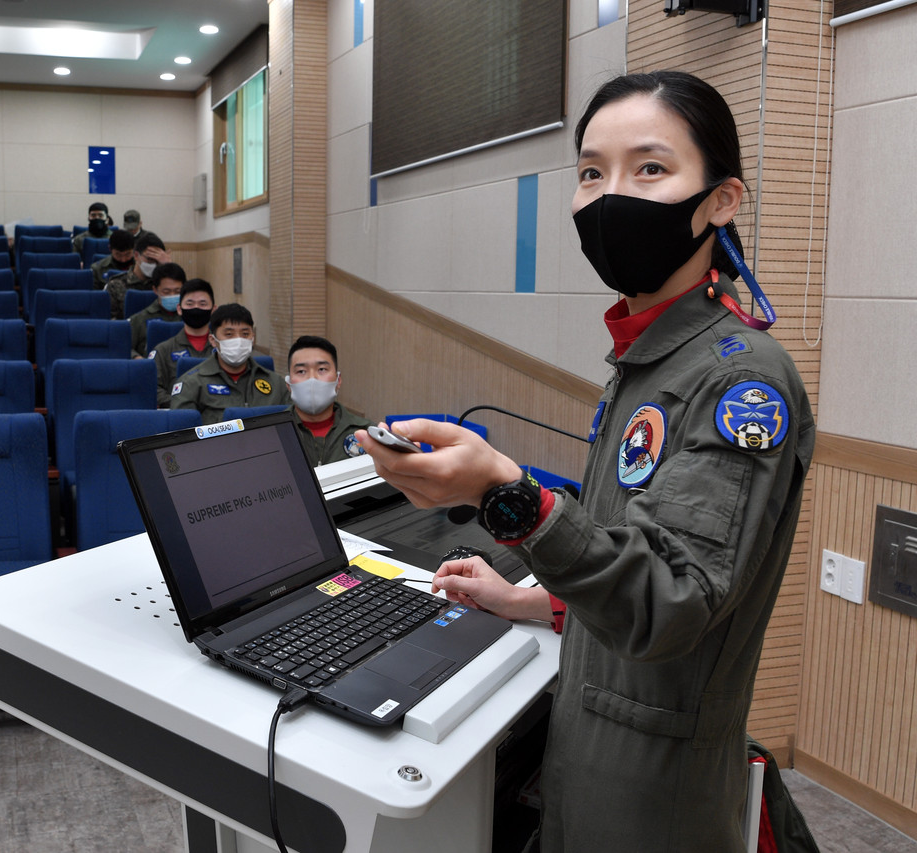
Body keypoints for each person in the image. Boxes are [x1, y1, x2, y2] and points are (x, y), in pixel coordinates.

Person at [358, 71, 815, 852]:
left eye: (650, 169)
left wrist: (508, 493)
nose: (610, 198)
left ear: (721, 201)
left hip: (652, 781)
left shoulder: (739, 379)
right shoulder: (649, 359)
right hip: (587, 734)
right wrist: (528, 602)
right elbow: (629, 545)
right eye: (591, 173)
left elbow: (671, 597)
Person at [169, 303, 289, 424]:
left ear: (253, 338)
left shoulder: (276, 383)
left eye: (245, 334)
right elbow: (181, 432)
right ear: (213, 340)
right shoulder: (191, 383)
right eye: (229, 334)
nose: (238, 340)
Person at [285, 335, 372, 466]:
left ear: (338, 380)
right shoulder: (269, 434)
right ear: (288, 384)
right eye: (301, 371)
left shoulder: (366, 432)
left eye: (322, 369)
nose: (312, 379)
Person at [150, 278, 215, 407]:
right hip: (178, 415)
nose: (196, 308)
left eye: (203, 304)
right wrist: (182, 404)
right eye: (190, 304)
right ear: (179, 309)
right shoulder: (163, 350)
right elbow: (152, 388)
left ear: (213, 309)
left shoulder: (225, 349)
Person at [104, 230, 170, 319]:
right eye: (150, 259)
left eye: (158, 261)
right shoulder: (115, 285)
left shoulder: (166, 285)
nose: (154, 264)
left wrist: (169, 267)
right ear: (136, 256)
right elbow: (109, 321)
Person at [128, 261, 185, 357]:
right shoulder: (139, 319)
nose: (172, 295)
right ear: (155, 290)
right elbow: (125, 348)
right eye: (166, 292)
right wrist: (136, 357)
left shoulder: (192, 316)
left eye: (177, 291)